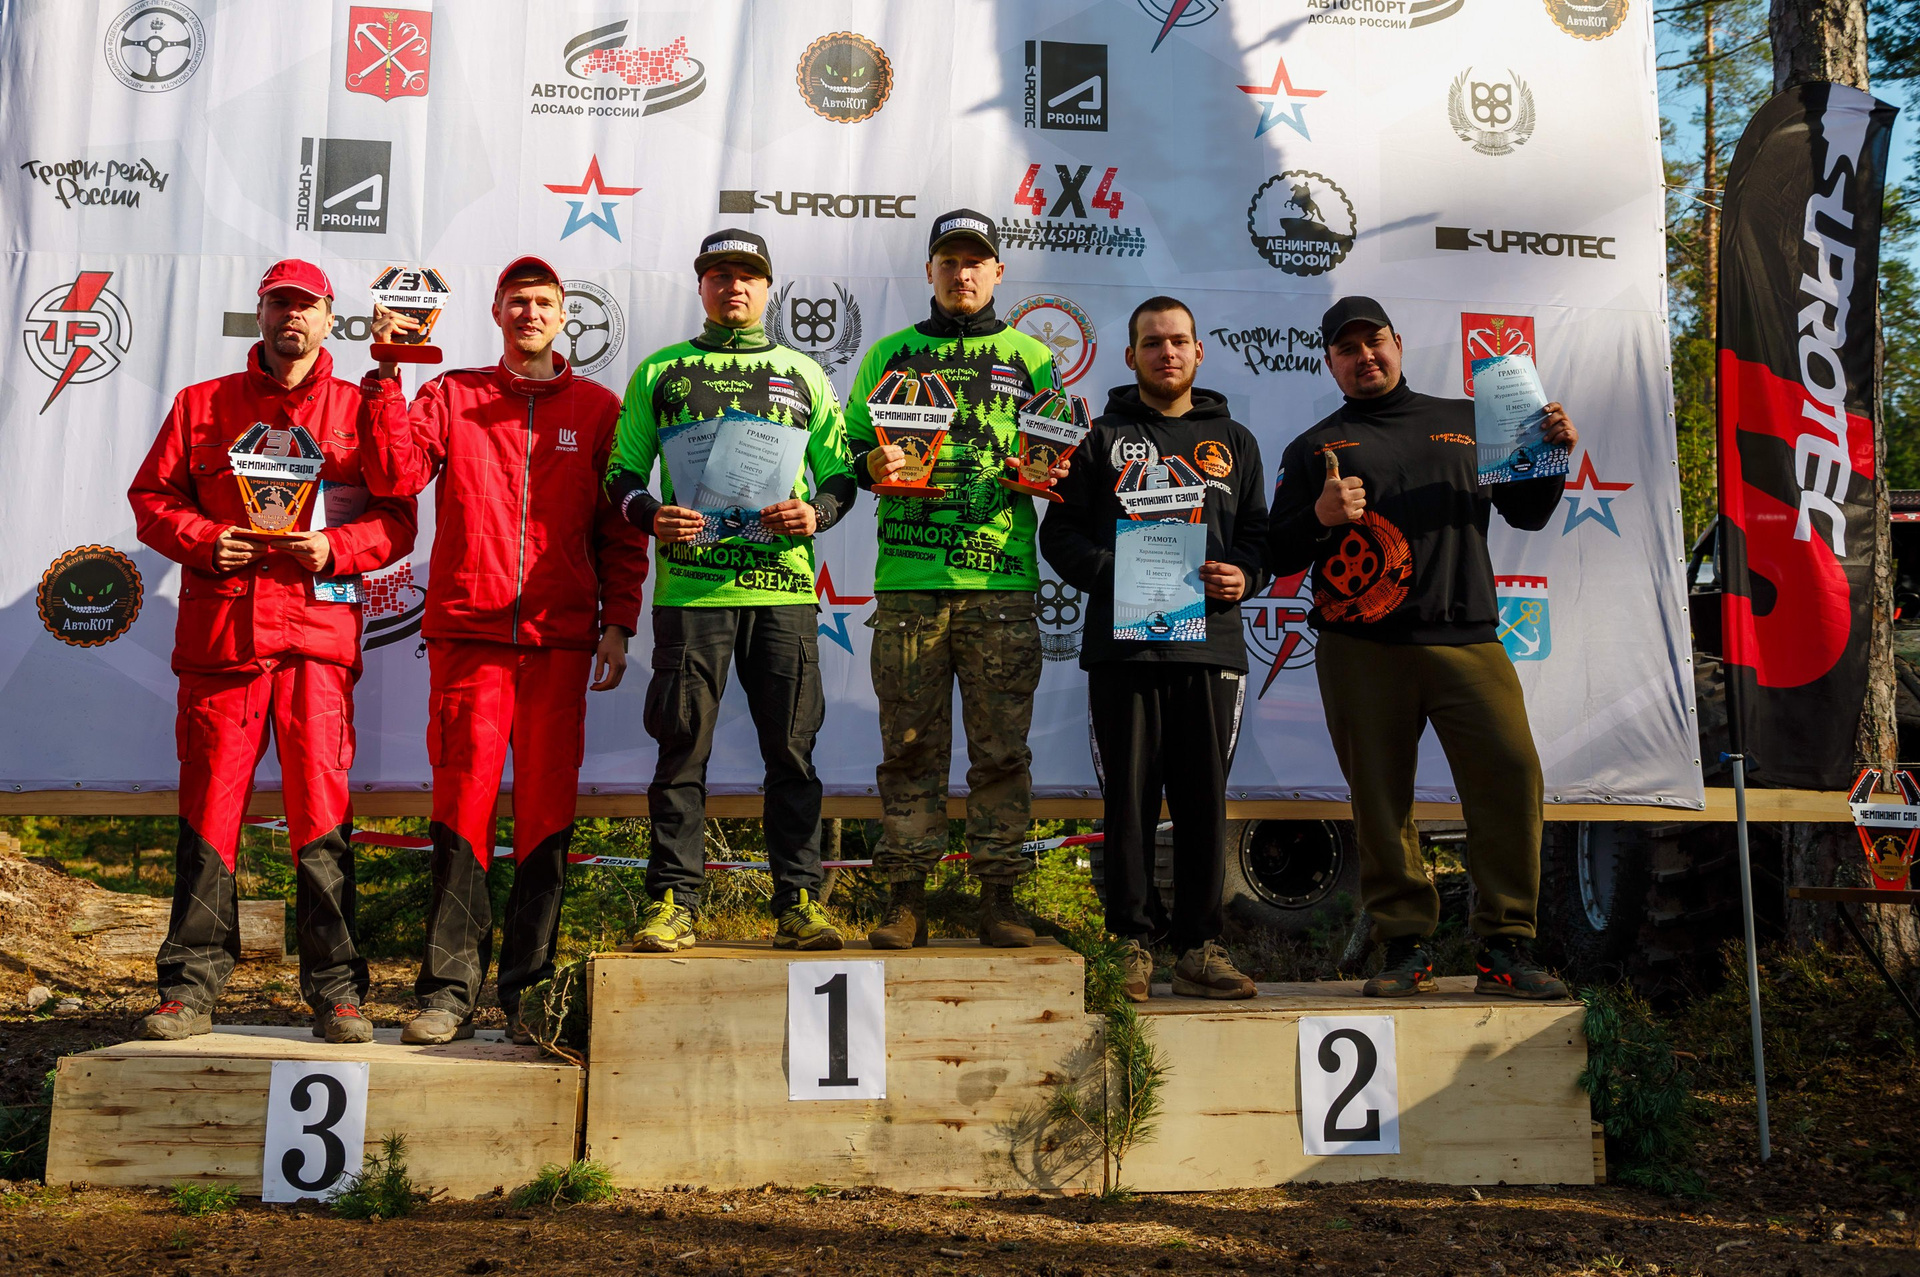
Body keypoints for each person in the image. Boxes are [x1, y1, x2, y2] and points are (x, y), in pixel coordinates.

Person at [128, 259, 417, 1043]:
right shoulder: (201, 405)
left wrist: (338, 546)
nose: (293, 316)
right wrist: (203, 538)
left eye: (307, 305)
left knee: (321, 816)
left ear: (328, 317)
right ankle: (188, 991)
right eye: (279, 303)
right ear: (260, 313)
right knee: (209, 815)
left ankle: (338, 993)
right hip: (223, 644)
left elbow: (399, 515)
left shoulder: (357, 407)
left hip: (315, 645)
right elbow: (151, 498)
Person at [362, 257, 648, 1043]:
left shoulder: (599, 410)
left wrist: (619, 621)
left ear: (563, 315)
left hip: (560, 640)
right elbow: (393, 473)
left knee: (546, 816)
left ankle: (530, 995)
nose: (531, 313)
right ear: (495, 311)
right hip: (469, 635)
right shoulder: (451, 393)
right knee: (462, 808)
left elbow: (620, 533)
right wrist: (385, 377)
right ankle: (447, 994)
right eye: (518, 301)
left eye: (544, 302)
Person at [1266, 297, 1576, 1000]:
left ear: (1398, 343)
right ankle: (1404, 945)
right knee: (1381, 802)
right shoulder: (1314, 446)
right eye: (1347, 349)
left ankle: (1507, 945)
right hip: (1360, 648)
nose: (1364, 357)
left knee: (1511, 775)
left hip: (1466, 637)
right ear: (1330, 363)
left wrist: (1550, 458)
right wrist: (1319, 516)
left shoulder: (1472, 420)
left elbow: (1528, 512)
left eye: (1373, 341)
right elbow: (1276, 551)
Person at [602, 229, 855, 952]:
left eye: (747, 275)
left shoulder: (804, 373)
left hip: (783, 590)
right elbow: (621, 473)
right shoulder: (661, 371)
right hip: (692, 594)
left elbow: (841, 476)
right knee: (680, 752)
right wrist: (651, 514)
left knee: (793, 753)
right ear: (702, 286)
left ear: (768, 288)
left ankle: (799, 902)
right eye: (719, 275)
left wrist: (817, 513)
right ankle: (673, 904)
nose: (733, 286)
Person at [844, 210, 1069, 949]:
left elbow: (1055, 454)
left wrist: (1049, 470)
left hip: (1000, 584)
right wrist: (869, 464)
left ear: (997, 272)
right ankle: (905, 899)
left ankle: (998, 900)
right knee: (908, 745)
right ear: (930, 271)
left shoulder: (1033, 359)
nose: (962, 273)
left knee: (1001, 751)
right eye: (949, 260)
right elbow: (845, 456)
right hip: (908, 584)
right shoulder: (889, 355)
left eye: (976, 261)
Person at [1040, 297, 1268, 1001]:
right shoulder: (1097, 438)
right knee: (1129, 802)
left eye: (1177, 341)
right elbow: (1059, 535)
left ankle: (1199, 948)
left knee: (1204, 803)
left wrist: (1246, 575)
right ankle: (1130, 943)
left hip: (1210, 649)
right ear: (1130, 356)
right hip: (1124, 649)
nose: (1166, 353)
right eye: (1151, 342)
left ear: (1198, 351)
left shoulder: (1236, 439)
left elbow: (1258, 537)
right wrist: (1122, 574)